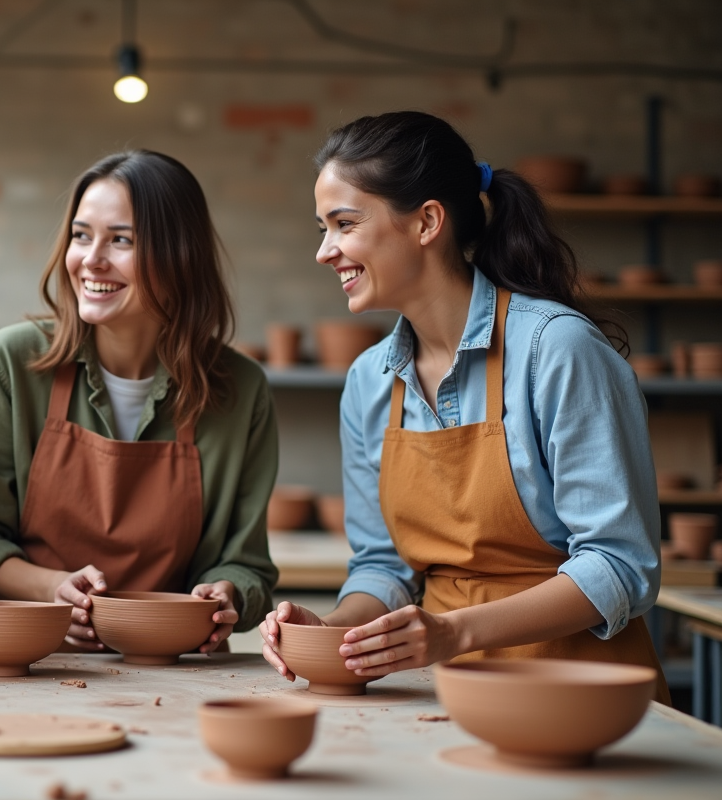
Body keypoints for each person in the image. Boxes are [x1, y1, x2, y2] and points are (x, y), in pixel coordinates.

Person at [260, 111, 669, 701]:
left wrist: (453, 632)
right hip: (445, 692)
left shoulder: (557, 350)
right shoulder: (369, 381)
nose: (326, 251)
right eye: (322, 229)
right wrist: (335, 632)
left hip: (586, 696)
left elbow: (620, 565)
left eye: (344, 224)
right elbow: (382, 566)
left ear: (427, 221)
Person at [0, 151, 278, 664]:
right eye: (81, 234)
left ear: (180, 255)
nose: (91, 259)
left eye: (122, 239)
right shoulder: (11, 364)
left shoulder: (240, 391)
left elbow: (247, 566)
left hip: (172, 673)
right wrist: (52, 590)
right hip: (30, 662)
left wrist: (225, 594)